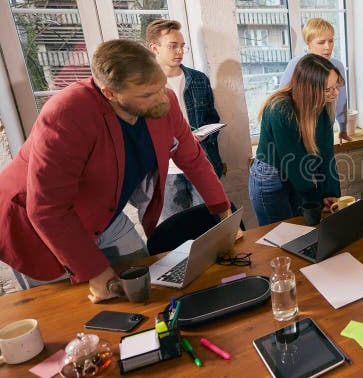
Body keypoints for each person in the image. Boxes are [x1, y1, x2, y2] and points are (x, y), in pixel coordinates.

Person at [0, 39, 231, 303]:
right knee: (70, 308)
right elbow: (46, 208)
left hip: (103, 212)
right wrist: (95, 272)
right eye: (146, 95)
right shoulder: (67, 112)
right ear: (110, 93)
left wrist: (221, 207)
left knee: (142, 284)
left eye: (160, 87)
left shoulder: (163, 100)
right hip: (36, 225)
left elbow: (193, 158)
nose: (161, 99)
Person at [250, 54, 342, 225]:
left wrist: (330, 192)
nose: (336, 93)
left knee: (302, 230)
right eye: (328, 89)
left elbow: (327, 154)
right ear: (309, 89)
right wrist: (317, 198)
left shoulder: (323, 105)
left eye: (336, 86)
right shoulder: (279, 110)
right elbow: (294, 163)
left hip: (297, 174)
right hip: (271, 178)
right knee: (280, 236)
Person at [146, 19, 225, 222]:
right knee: (174, 234)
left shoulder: (198, 79)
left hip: (200, 160)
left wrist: (203, 135)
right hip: (166, 173)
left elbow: (211, 117)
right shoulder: (143, 87)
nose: (179, 51)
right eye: (173, 46)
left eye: (182, 46)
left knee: (210, 226)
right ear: (154, 48)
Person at [279, 18, 351, 142]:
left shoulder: (337, 66)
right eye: (321, 42)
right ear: (308, 43)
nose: (328, 47)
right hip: (298, 128)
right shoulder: (296, 65)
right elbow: (282, 99)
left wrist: (343, 127)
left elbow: (341, 99)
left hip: (325, 124)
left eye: (331, 41)